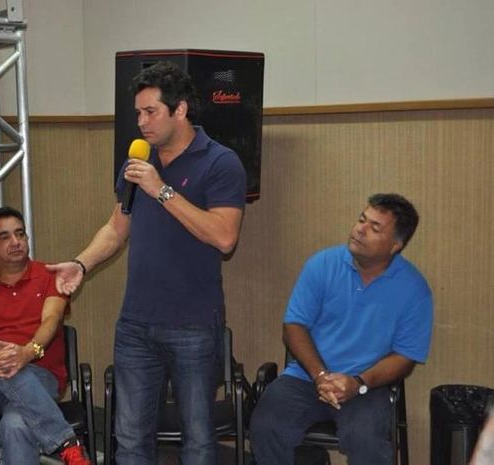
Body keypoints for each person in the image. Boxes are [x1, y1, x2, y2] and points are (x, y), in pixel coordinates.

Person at [48, 61, 247, 465]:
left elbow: (225, 237)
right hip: (136, 324)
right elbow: (116, 228)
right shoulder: (136, 163)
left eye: (150, 112)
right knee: (131, 439)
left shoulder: (220, 162)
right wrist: (81, 264)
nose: (140, 122)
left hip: (193, 325)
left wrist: (162, 190)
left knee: (198, 440)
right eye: (137, 113)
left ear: (180, 110)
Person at [249, 193, 434, 465]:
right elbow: (294, 326)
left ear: (395, 245)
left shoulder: (414, 289)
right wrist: (321, 376)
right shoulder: (322, 265)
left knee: (367, 441)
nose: (360, 229)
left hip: (366, 387)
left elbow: (405, 357)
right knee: (266, 425)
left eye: (374, 227)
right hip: (307, 377)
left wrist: (358, 382)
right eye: (362, 219)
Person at [0, 207, 91, 465]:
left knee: (16, 423)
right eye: (5, 237)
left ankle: (67, 448)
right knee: (3, 361)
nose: (16, 242)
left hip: (43, 378)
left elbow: (51, 320)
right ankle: (67, 443)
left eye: (20, 234)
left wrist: (27, 353)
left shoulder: (50, 276)